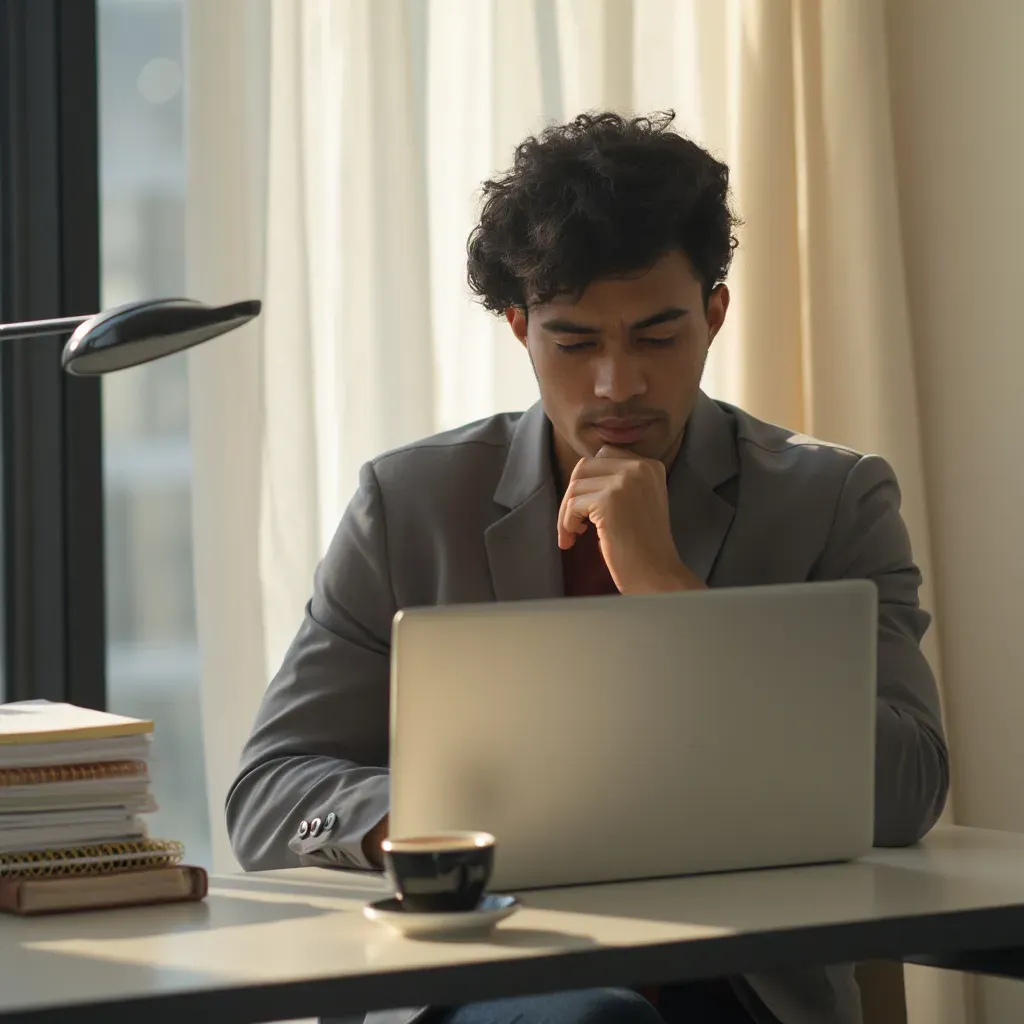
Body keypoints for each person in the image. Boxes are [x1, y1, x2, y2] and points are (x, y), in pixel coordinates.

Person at [227, 112, 949, 1024]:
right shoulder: (410, 505)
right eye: (575, 344)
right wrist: (437, 825)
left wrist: (676, 602)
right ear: (520, 328)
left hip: (738, 982)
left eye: (656, 337)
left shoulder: (831, 500)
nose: (617, 385)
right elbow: (270, 791)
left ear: (713, 314)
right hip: (490, 975)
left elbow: (911, 787)